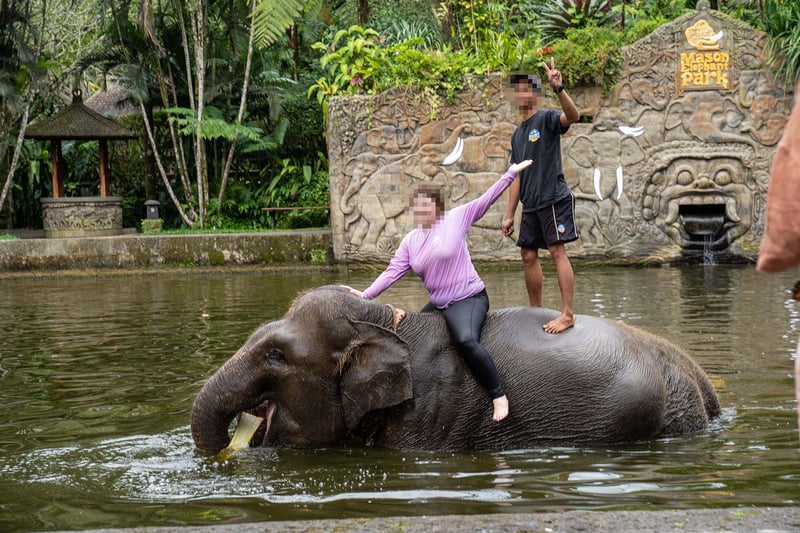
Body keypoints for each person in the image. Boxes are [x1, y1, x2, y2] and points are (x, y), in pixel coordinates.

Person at [343, 159, 533, 423]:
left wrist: (509, 175)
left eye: (426, 205)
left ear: (437, 207)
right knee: (408, 338)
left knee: (465, 340)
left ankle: (497, 395)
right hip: (439, 303)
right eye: (417, 206)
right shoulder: (411, 241)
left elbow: (486, 200)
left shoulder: (456, 218)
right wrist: (366, 295)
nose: (420, 210)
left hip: (468, 298)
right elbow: (392, 272)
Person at [502, 59, 581, 334]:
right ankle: (535, 311)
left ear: (535, 93)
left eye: (525, 89)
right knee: (527, 254)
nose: (520, 94)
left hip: (553, 198)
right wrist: (510, 213)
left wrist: (560, 89)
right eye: (517, 90)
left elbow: (572, 117)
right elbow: (516, 176)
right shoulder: (517, 135)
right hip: (532, 204)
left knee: (558, 250)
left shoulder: (546, 119)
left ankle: (567, 314)